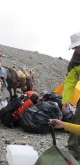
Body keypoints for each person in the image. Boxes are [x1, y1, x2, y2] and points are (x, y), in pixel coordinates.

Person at [62, 31, 80, 160]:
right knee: (77, 118)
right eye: (75, 48)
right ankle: (74, 149)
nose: (77, 50)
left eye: (79, 46)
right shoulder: (75, 61)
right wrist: (66, 100)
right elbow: (70, 81)